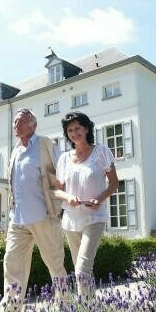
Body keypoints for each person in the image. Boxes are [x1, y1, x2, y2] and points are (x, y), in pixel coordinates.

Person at [0, 108, 68, 312]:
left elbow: (63, 172)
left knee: (55, 264)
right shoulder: (15, 151)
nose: (15, 125)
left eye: (20, 121)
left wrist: (63, 201)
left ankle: (65, 309)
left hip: (44, 216)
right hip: (18, 218)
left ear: (33, 125)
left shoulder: (46, 144)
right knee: (11, 265)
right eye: (14, 122)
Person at [54, 112, 119, 298]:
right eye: (70, 130)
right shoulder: (64, 158)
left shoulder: (101, 152)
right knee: (79, 271)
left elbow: (114, 183)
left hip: (94, 218)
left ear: (87, 128)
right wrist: (68, 197)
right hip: (71, 220)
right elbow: (56, 190)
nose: (74, 133)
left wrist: (99, 199)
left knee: (83, 269)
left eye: (77, 128)